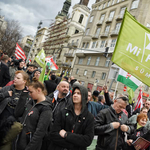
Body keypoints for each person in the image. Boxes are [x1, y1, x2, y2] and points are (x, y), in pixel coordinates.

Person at [49, 84, 94, 150]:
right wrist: (74, 145)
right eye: (74, 93)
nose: (75, 95)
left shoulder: (89, 117)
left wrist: (67, 135)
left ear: (84, 96)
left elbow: (87, 140)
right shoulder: (63, 112)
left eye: (78, 93)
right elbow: (53, 134)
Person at [15, 78, 52, 150]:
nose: (29, 94)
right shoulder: (31, 102)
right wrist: (23, 96)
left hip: (29, 145)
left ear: (38, 90)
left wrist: (30, 148)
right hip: (19, 142)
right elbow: (17, 113)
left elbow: (40, 132)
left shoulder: (46, 108)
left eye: (31, 92)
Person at [0, 70, 29, 149]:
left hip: (12, 127)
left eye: (18, 78)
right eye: (15, 77)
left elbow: (26, 112)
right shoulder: (7, 89)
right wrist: (5, 94)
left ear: (24, 81)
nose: (15, 79)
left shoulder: (27, 94)